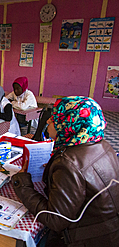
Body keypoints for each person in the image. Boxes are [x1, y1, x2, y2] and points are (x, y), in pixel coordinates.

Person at [11, 96, 119, 247]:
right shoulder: (103, 145)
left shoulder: (68, 163)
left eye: (55, 118)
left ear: (69, 124)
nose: (48, 121)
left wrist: (22, 183)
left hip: (87, 239)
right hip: (109, 231)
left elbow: (54, 219)